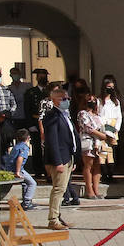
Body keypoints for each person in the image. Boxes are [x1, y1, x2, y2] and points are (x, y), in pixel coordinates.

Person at [40, 82, 77, 229]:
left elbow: (72, 136)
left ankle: (58, 216)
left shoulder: (65, 115)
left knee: (62, 189)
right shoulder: (51, 116)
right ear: (55, 100)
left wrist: (74, 157)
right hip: (60, 159)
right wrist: (58, 162)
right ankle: (53, 219)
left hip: (68, 157)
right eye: (63, 99)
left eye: (67, 98)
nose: (66, 101)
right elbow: (53, 141)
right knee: (58, 189)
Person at [77, 94, 111, 199]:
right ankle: (89, 190)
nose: (92, 102)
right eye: (90, 100)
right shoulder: (82, 113)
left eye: (94, 100)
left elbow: (103, 126)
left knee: (97, 165)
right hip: (88, 142)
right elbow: (88, 128)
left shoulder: (98, 116)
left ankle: (96, 189)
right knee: (88, 165)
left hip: (99, 143)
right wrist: (103, 135)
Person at [3, 128, 36, 209]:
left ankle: (25, 200)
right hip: (17, 169)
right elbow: (20, 158)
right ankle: (27, 202)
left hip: (10, 168)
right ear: (28, 138)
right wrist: (17, 172)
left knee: (25, 183)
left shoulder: (16, 146)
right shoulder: (24, 147)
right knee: (32, 183)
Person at [99, 75, 123, 183]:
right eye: (108, 87)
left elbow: (119, 116)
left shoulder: (116, 101)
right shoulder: (99, 101)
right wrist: (105, 128)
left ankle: (111, 174)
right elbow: (99, 115)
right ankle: (104, 175)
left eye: (112, 87)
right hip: (103, 127)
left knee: (112, 152)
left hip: (113, 127)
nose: (110, 89)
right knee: (103, 153)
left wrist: (116, 128)